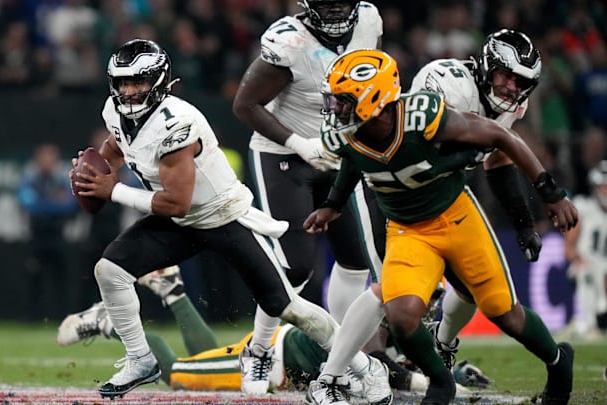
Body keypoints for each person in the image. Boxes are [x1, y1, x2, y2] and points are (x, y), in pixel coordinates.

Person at [69, 38, 391, 402]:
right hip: (179, 221)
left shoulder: (177, 124)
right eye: (123, 83)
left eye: (138, 82)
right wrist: (93, 170)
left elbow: (177, 202)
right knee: (110, 270)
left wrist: (111, 190)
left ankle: (367, 367)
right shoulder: (115, 111)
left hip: (220, 216)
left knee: (287, 307)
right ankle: (141, 359)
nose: (129, 92)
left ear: (159, 82)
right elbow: (117, 146)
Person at [304, 48, 577, 405]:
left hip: (457, 218)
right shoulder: (347, 135)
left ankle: (558, 362)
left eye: (342, 101)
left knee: (504, 313)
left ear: (373, 99)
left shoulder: (422, 116)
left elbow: (502, 138)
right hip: (406, 229)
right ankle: (440, 380)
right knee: (401, 317)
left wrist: (549, 191)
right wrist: (332, 205)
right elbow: (355, 162)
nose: (334, 109)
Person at [232, 1, 388, 393]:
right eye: (326, 2)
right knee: (297, 265)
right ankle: (259, 349)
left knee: (355, 260)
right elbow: (244, 104)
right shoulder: (290, 40)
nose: (336, 11)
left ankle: (338, 355)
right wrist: (301, 144)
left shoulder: (368, 20)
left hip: (340, 153)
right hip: (283, 154)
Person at [58, 267, 491, 396]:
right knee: (175, 374)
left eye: (433, 297)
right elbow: (384, 368)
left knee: (202, 364)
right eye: (426, 295)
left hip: (284, 364)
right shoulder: (377, 317)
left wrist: (455, 373)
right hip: (277, 362)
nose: (427, 305)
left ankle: (172, 291)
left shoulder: (403, 320)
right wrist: (444, 384)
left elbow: (410, 363)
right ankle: (109, 323)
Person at [410, 28, 546, 369]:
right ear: (487, 65)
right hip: (398, 192)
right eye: (506, 75)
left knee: (471, 288)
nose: (511, 88)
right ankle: (360, 364)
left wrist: (524, 222)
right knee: (398, 293)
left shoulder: (514, 105)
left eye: (520, 82)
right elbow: (426, 150)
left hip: (447, 195)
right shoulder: (445, 80)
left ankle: (442, 344)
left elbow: (497, 161)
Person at [16, 142, 78, 321]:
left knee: (61, 280)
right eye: (44, 157)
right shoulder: (29, 181)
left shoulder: (62, 181)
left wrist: (45, 202)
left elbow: (69, 206)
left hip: (58, 237)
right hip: (37, 238)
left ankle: (62, 317)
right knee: (33, 278)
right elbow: (30, 205)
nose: (47, 161)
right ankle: (31, 318)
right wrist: (53, 202)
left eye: (51, 158)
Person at [564, 160, 607, 339]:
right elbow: (568, 248)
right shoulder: (584, 207)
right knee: (587, 271)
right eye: (603, 186)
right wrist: (578, 260)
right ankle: (589, 325)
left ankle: (587, 324)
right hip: (587, 266)